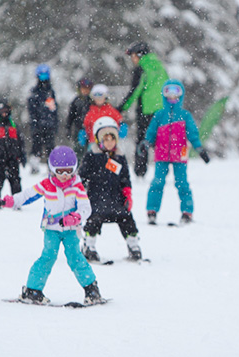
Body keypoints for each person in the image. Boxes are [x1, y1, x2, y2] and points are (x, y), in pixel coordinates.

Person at [0, 146, 105, 305]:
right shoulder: (47, 184)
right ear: (52, 169)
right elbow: (27, 195)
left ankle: (91, 289)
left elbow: (86, 208)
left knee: (75, 257)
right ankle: (32, 290)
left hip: (70, 231)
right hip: (51, 230)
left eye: (68, 171)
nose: (64, 175)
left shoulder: (76, 185)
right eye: (60, 171)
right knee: (48, 257)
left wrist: (75, 217)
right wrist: (8, 201)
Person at [137, 80, 210, 225]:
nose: (172, 98)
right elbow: (151, 133)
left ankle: (187, 212)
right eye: (168, 95)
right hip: (162, 153)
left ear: (180, 96)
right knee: (157, 182)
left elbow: (193, 134)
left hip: (180, 153)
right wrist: (146, 143)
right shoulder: (159, 115)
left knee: (182, 183)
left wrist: (199, 148)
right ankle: (152, 211)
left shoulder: (185, 115)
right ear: (164, 96)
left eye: (175, 95)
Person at [79, 117, 142, 262]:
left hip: (116, 200)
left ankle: (133, 246)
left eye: (112, 139)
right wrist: (80, 192)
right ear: (99, 140)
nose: (109, 142)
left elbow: (125, 178)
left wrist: (127, 194)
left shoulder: (119, 157)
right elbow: (82, 176)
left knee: (127, 218)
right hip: (95, 199)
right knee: (93, 219)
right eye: (105, 139)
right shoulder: (92, 156)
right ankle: (89, 246)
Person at [118, 42, 169, 178]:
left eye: (133, 56)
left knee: (142, 140)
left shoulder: (142, 68)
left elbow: (136, 90)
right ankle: (162, 169)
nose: (132, 59)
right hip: (162, 110)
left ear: (139, 55)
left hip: (145, 110)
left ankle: (140, 171)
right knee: (160, 141)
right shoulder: (159, 66)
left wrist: (122, 108)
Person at [27, 64, 59, 175]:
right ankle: (34, 166)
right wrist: (35, 124)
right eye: (42, 76)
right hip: (38, 125)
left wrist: (55, 123)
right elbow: (31, 110)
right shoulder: (34, 92)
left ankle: (51, 167)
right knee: (36, 146)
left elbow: (54, 109)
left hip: (49, 124)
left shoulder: (51, 91)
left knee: (50, 146)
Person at [82, 84, 122, 152]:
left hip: (110, 143)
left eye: (101, 97)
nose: (98, 99)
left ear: (105, 97)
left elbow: (119, 120)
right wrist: (84, 133)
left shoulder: (111, 111)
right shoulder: (91, 112)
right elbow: (86, 125)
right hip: (94, 142)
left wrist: (121, 128)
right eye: (96, 97)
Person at [66, 77, 93, 156]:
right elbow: (70, 117)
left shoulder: (92, 101)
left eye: (88, 88)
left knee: (90, 151)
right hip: (78, 130)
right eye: (84, 88)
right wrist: (68, 128)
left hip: (91, 131)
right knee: (78, 150)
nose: (85, 90)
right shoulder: (76, 101)